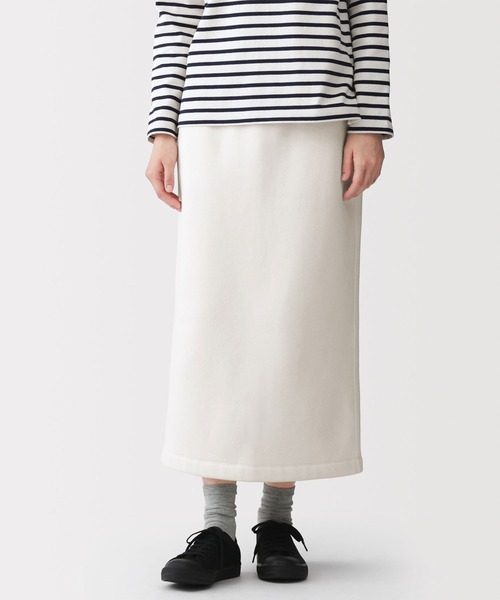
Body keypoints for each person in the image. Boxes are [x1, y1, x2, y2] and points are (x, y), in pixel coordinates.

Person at [145, 0, 394, 586]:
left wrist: (369, 123)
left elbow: (368, 14)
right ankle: (217, 528)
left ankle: (277, 521)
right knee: (215, 316)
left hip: (319, 120)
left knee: (302, 314)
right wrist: (162, 127)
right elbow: (177, 15)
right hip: (213, 121)